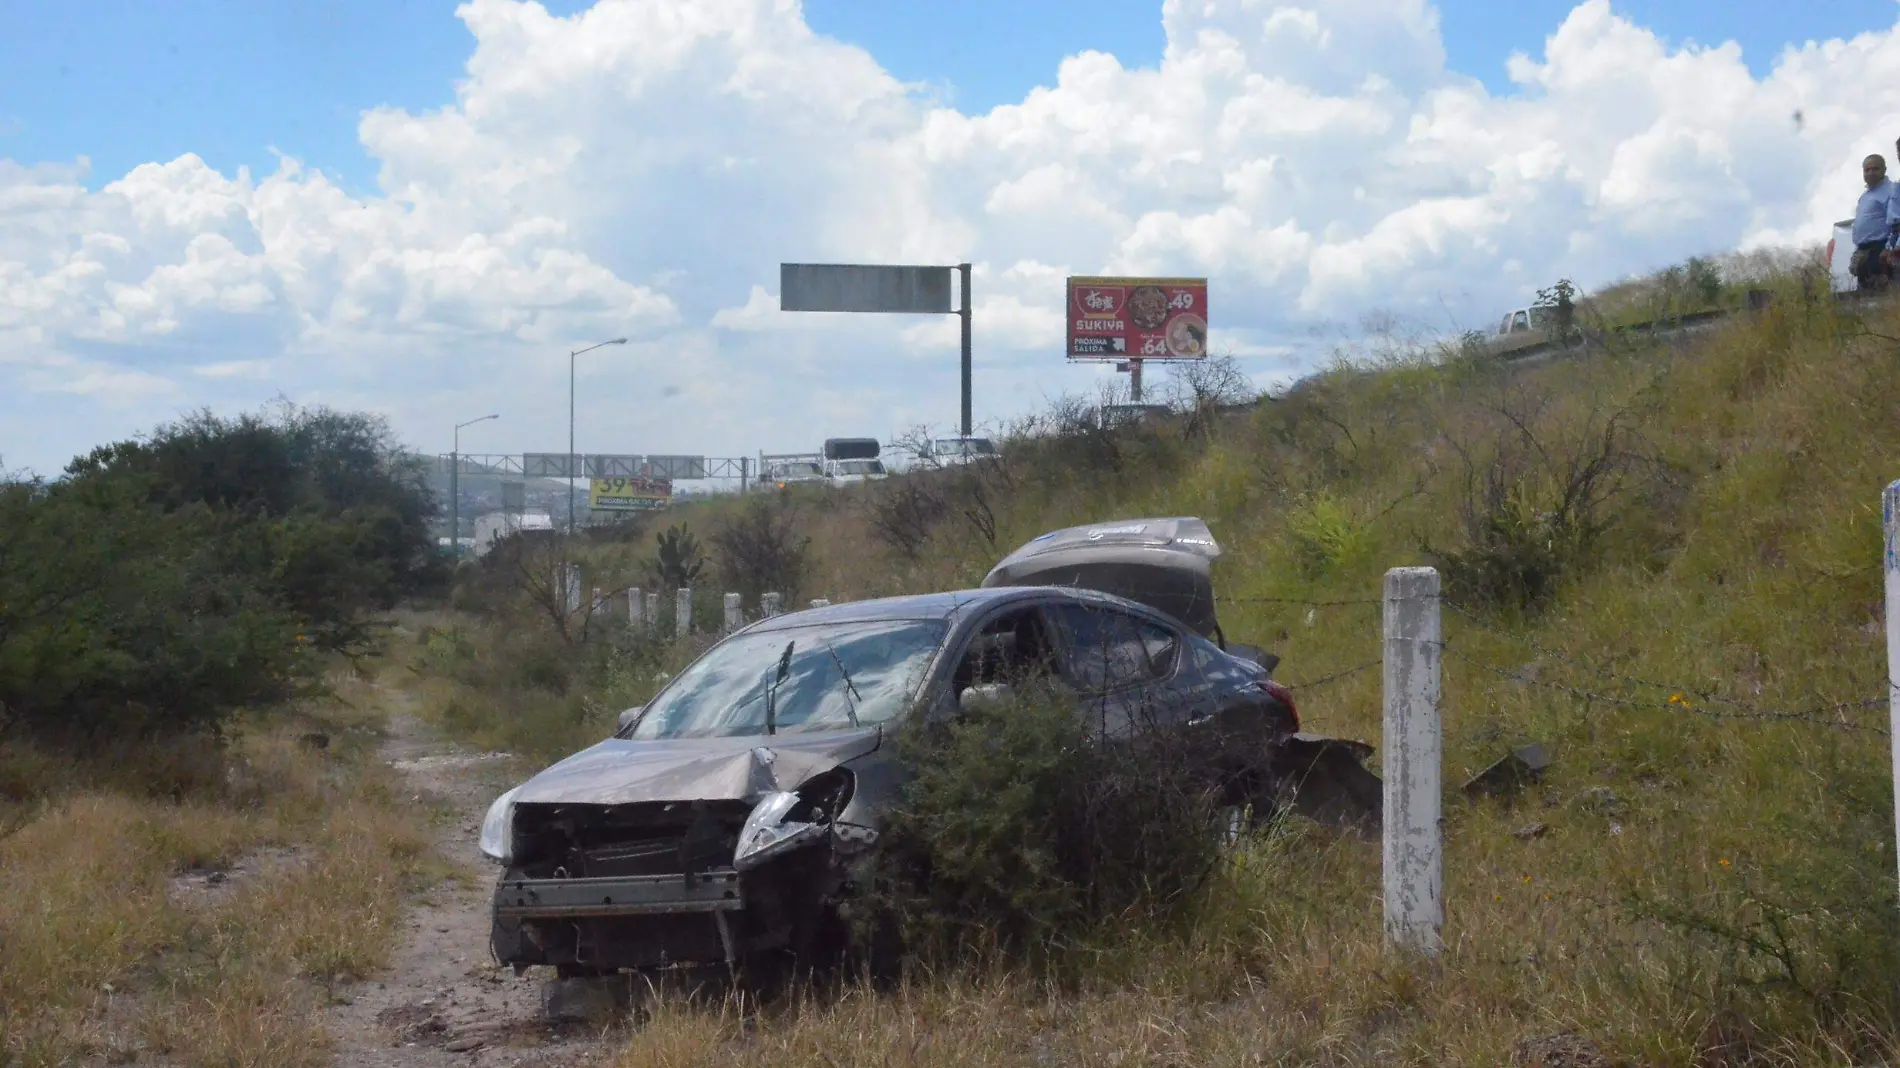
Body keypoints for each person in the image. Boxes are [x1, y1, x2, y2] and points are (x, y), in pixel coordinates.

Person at [1852, 154, 1898, 289]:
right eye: (1867, 170)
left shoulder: (1892, 191)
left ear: (1884, 169)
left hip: (1881, 250)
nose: (1870, 172)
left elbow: (1896, 222)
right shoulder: (1865, 196)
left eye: (1875, 169)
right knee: (1865, 299)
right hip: (1863, 252)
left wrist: (1889, 249)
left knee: (1884, 295)